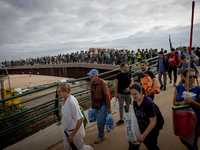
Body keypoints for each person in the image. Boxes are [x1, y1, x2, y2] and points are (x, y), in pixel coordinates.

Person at [57, 83, 94, 150]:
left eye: (59, 91)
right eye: (57, 91)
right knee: (67, 148)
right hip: (67, 131)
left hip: (74, 132)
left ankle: (90, 148)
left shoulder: (72, 101)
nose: (58, 93)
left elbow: (81, 118)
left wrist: (72, 134)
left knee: (80, 148)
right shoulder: (64, 100)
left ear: (66, 91)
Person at [129, 83, 163, 150]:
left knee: (152, 147)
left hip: (150, 132)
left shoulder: (149, 103)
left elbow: (153, 122)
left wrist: (144, 135)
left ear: (141, 91)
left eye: (135, 94)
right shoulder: (135, 102)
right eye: (131, 94)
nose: (133, 96)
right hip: (139, 130)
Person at [173, 68, 200, 150]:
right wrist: (182, 103)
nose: (192, 79)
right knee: (183, 139)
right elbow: (174, 102)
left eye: (194, 76)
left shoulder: (198, 88)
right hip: (182, 118)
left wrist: (192, 102)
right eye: (190, 76)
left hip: (195, 119)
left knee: (193, 141)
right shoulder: (178, 87)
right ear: (184, 77)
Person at [88, 69, 111, 144]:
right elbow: (92, 94)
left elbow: (107, 95)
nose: (90, 77)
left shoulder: (103, 83)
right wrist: (91, 103)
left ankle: (101, 136)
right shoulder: (92, 83)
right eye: (90, 76)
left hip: (103, 104)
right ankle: (107, 126)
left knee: (100, 121)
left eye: (92, 76)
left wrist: (109, 107)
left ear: (97, 75)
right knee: (99, 119)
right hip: (96, 104)